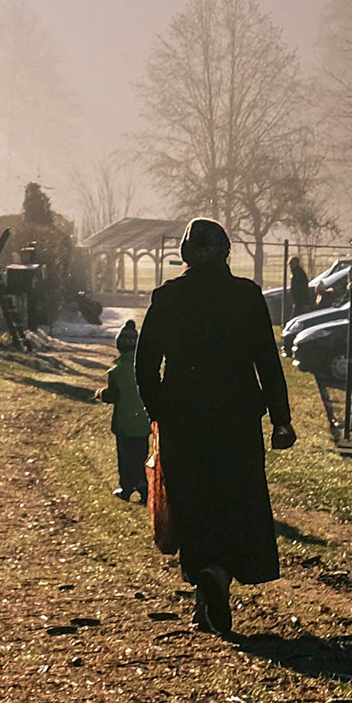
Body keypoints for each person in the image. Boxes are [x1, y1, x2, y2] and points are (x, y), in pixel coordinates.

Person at [133, 218, 295, 636]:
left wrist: (159, 409)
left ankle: (205, 580)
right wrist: (281, 419)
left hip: (183, 421)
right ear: (226, 253)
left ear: (185, 254)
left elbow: (144, 364)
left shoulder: (168, 298)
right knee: (235, 499)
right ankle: (220, 575)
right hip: (237, 419)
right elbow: (267, 362)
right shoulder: (247, 297)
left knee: (193, 503)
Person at [106, 320, 153, 501]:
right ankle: (142, 484)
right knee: (141, 454)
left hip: (124, 423)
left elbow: (112, 396)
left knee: (125, 456)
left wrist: (100, 394)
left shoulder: (116, 372)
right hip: (142, 422)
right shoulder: (145, 368)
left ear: (119, 346)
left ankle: (126, 487)